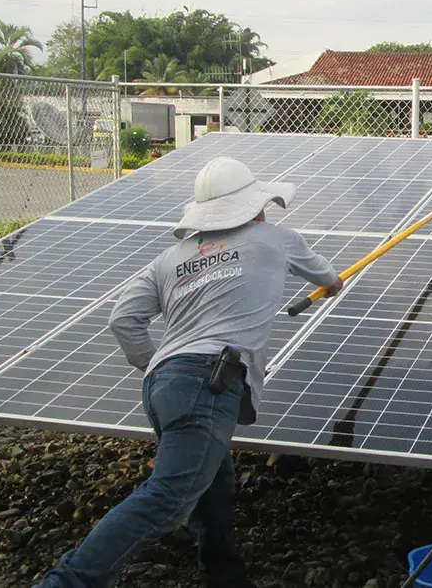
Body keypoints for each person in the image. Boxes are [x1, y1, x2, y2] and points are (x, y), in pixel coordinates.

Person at [35, 157, 344, 588]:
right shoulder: (276, 240)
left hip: (163, 383)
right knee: (168, 498)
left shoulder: (169, 260)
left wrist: (162, 366)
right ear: (255, 207)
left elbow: (123, 320)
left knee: (214, 484)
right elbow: (329, 277)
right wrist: (330, 284)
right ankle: (66, 583)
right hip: (210, 382)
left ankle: (224, 577)